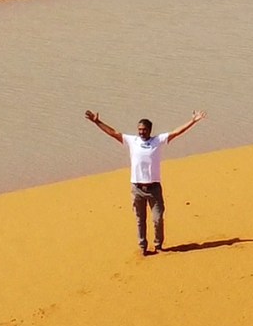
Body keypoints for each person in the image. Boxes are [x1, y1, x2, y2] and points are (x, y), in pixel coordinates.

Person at [85, 108, 203, 255]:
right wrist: (97, 122)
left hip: (154, 188)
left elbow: (176, 132)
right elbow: (113, 133)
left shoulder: (157, 141)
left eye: (144, 130)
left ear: (149, 130)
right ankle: (143, 247)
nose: (141, 132)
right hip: (137, 188)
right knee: (140, 220)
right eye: (139, 129)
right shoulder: (132, 141)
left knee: (157, 219)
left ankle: (158, 245)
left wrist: (192, 121)